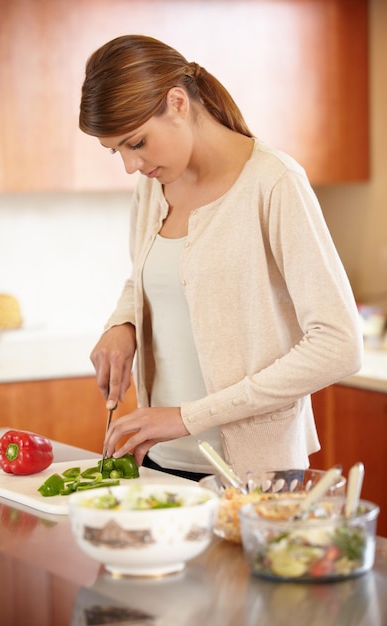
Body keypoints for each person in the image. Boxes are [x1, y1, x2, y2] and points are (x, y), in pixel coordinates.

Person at [79, 34, 363, 481]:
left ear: (177, 103)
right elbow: (147, 277)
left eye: (136, 143)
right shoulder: (153, 186)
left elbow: (340, 345)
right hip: (159, 463)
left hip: (255, 478)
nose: (130, 166)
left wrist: (188, 417)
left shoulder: (274, 183)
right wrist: (123, 323)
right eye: (117, 151)